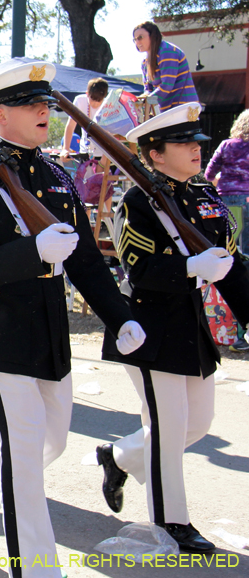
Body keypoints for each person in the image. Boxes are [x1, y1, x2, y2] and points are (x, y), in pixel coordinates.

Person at [0, 62, 145, 578]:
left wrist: (120, 317)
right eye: (30, 105)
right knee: (25, 457)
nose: (42, 112)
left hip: (48, 330)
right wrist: (33, 251)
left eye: (44, 104)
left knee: (52, 440)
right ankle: (35, 568)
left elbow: (86, 262)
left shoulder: (55, 175)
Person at [94, 104, 249, 554]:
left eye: (197, 141)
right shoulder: (138, 201)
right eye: (183, 143)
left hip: (190, 324)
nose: (196, 149)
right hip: (149, 327)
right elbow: (139, 270)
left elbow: (229, 265)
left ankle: (118, 457)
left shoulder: (204, 192)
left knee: (197, 423)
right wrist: (187, 267)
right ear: (155, 154)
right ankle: (172, 522)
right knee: (168, 427)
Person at [205, 109, 249, 352]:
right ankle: (244, 330)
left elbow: (209, 175)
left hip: (227, 206)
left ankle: (233, 333)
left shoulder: (226, 145)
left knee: (231, 262)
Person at [133, 21, 199, 112]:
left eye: (140, 37)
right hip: (167, 112)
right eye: (135, 39)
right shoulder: (145, 62)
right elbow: (148, 89)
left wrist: (146, 102)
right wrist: (138, 102)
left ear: (152, 36)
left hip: (184, 110)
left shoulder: (167, 51)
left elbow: (167, 85)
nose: (137, 42)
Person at [60, 78, 109, 159]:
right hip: (85, 151)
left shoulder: (108, 104)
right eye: (93, 99)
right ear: (87, 94)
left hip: (103, 153)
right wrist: (65, 149)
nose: (95, 103)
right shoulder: (79, 100)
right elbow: (71, 125)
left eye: (99, 100)